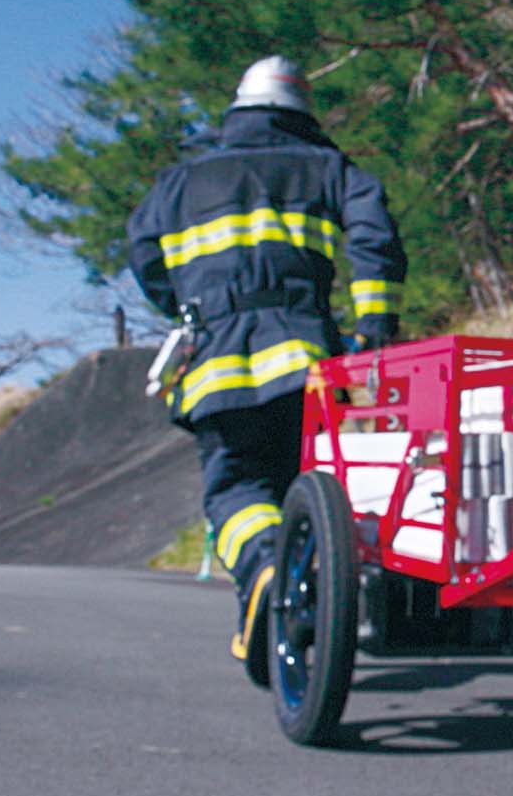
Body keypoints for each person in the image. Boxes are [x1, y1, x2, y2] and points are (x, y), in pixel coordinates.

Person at [127, 55, 407, 682]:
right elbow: (376, 242)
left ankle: (264, 570)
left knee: (235, 488)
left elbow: (143, 254)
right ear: (301, 113)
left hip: (215, 359)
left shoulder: (178, 183)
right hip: (307, 359)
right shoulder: (329, 168)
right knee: (303, 484)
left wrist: (188, 305)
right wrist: (373, 328)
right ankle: (278, 599)